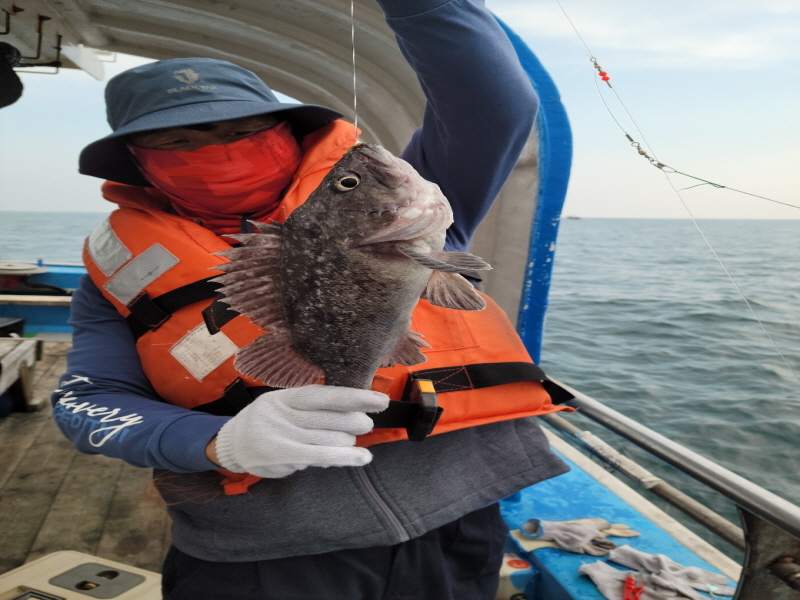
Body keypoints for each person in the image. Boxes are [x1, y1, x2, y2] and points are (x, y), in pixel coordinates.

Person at [51, 0, 571, 598]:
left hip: (456, 520)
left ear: (289, 132)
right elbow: (87, 403)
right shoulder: (115, 281)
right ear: (138, 163)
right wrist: (218, 442)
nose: (218, 151)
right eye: (178, 139)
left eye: (243, 130)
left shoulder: (396, 213)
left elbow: (495, 106)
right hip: (254, 553)